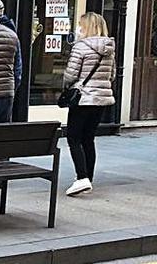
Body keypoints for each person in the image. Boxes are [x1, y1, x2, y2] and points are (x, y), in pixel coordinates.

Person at [62, 12, 115, 196]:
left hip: (83, 98)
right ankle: (88, 178)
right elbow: (112, 75)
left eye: (80, 25)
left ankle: (81, 177)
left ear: (86, 27)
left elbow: (70, 75)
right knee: (88, 138)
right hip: (101, 98)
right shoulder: (109, 48)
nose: (77, 28)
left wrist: (67, 85)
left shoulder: (81, 47)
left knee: (73, 137)